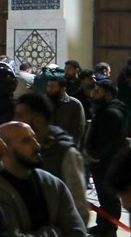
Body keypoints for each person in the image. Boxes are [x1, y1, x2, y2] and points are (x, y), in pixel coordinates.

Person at [0, 122, 87, 237]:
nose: (37, 145)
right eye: (26, 141)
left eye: (34, 138)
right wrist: (53, 234)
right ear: (5, 149)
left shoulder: (53, 184)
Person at [12, 92, 90, 227]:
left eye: (19, 115)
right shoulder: (15, 147)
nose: (14, 120)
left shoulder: (66, 154)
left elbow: (79, 208)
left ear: (38, 121)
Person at [86, 80, 130, 237]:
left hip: (106, 162)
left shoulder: (111, 113)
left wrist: (95, 155)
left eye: (98, 91)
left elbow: (109, 141)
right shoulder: (108, 109)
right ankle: (102, 225)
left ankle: (109, 232)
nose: (94, 94)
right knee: (104, 197)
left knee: (109, 197)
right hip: (103, 161)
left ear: (108, 94)